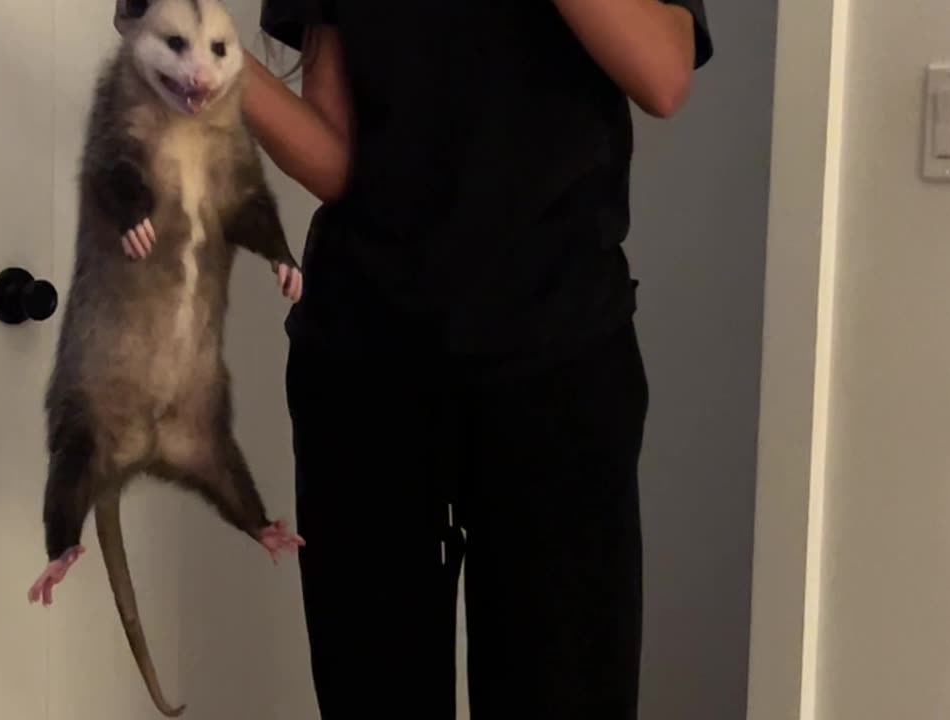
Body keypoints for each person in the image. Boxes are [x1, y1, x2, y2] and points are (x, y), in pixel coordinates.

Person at [240, 1, 709, 717]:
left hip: (557, 367)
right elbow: (337, 159)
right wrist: (202, 55)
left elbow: (663, 74)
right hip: (365, 372)